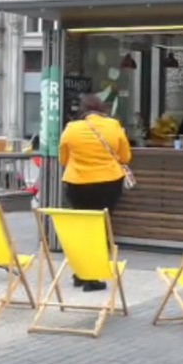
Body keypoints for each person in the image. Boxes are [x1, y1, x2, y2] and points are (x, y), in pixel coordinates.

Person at [58, 94, 132, 292]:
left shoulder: (71, 129)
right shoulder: (114, 126)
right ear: (103, 109)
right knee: (101, 228)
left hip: (77, 184)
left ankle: (80, 273)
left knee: (83, 229)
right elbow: (125, 156)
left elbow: (63, 159)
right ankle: (92, 276)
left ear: (83, 111)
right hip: (109, 183)